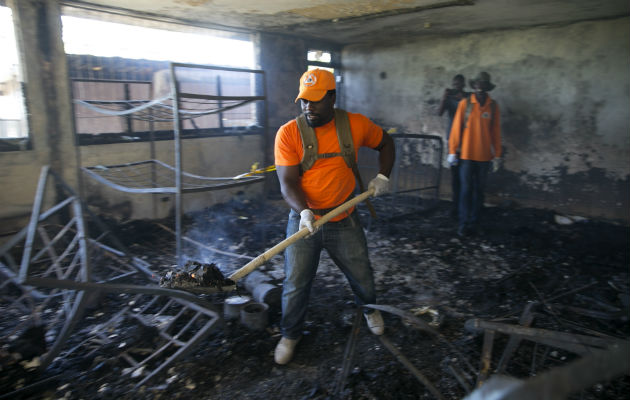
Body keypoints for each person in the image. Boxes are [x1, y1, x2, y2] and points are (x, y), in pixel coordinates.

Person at [273, 68, 395, 365]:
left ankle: (370, 309)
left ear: (333, 98)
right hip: (304, 219)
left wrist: (382, 176)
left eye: (316, 100)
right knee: (295, 282)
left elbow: (386, 144)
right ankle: (290, 334)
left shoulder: (355, 125)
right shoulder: (289, 133)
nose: (308, 107)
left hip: (344, 216)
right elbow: (287, 183)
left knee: (361, 273)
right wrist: (304, 212)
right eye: (304, 100)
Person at [447, 71, 501, 237]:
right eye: (477, 83)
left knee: (479, 190)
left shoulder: (493, 106)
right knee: (466, 190)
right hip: (466, 156)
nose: (480, 86)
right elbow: (456, 128)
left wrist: (497, 155)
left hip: (484, 157)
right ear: (474, 85)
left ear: (487, 86)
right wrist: (452, 151)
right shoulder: (466, 104)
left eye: (483, 83)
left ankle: (474, 222)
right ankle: (463, 224)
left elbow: (495, 132)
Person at [438, 74, 470, 218]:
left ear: (464, 84)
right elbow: (439, 113)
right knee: (455, 176)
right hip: (453, 143)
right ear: (452, 84)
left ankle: (466, 208)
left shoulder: (470, 97)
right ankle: (455, 207)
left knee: (468, 178)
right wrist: (444, 98)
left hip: (469, 142)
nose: (457, 86)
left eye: (460, 84)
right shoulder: (449, 97)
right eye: (455, 83)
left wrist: (464, 97)